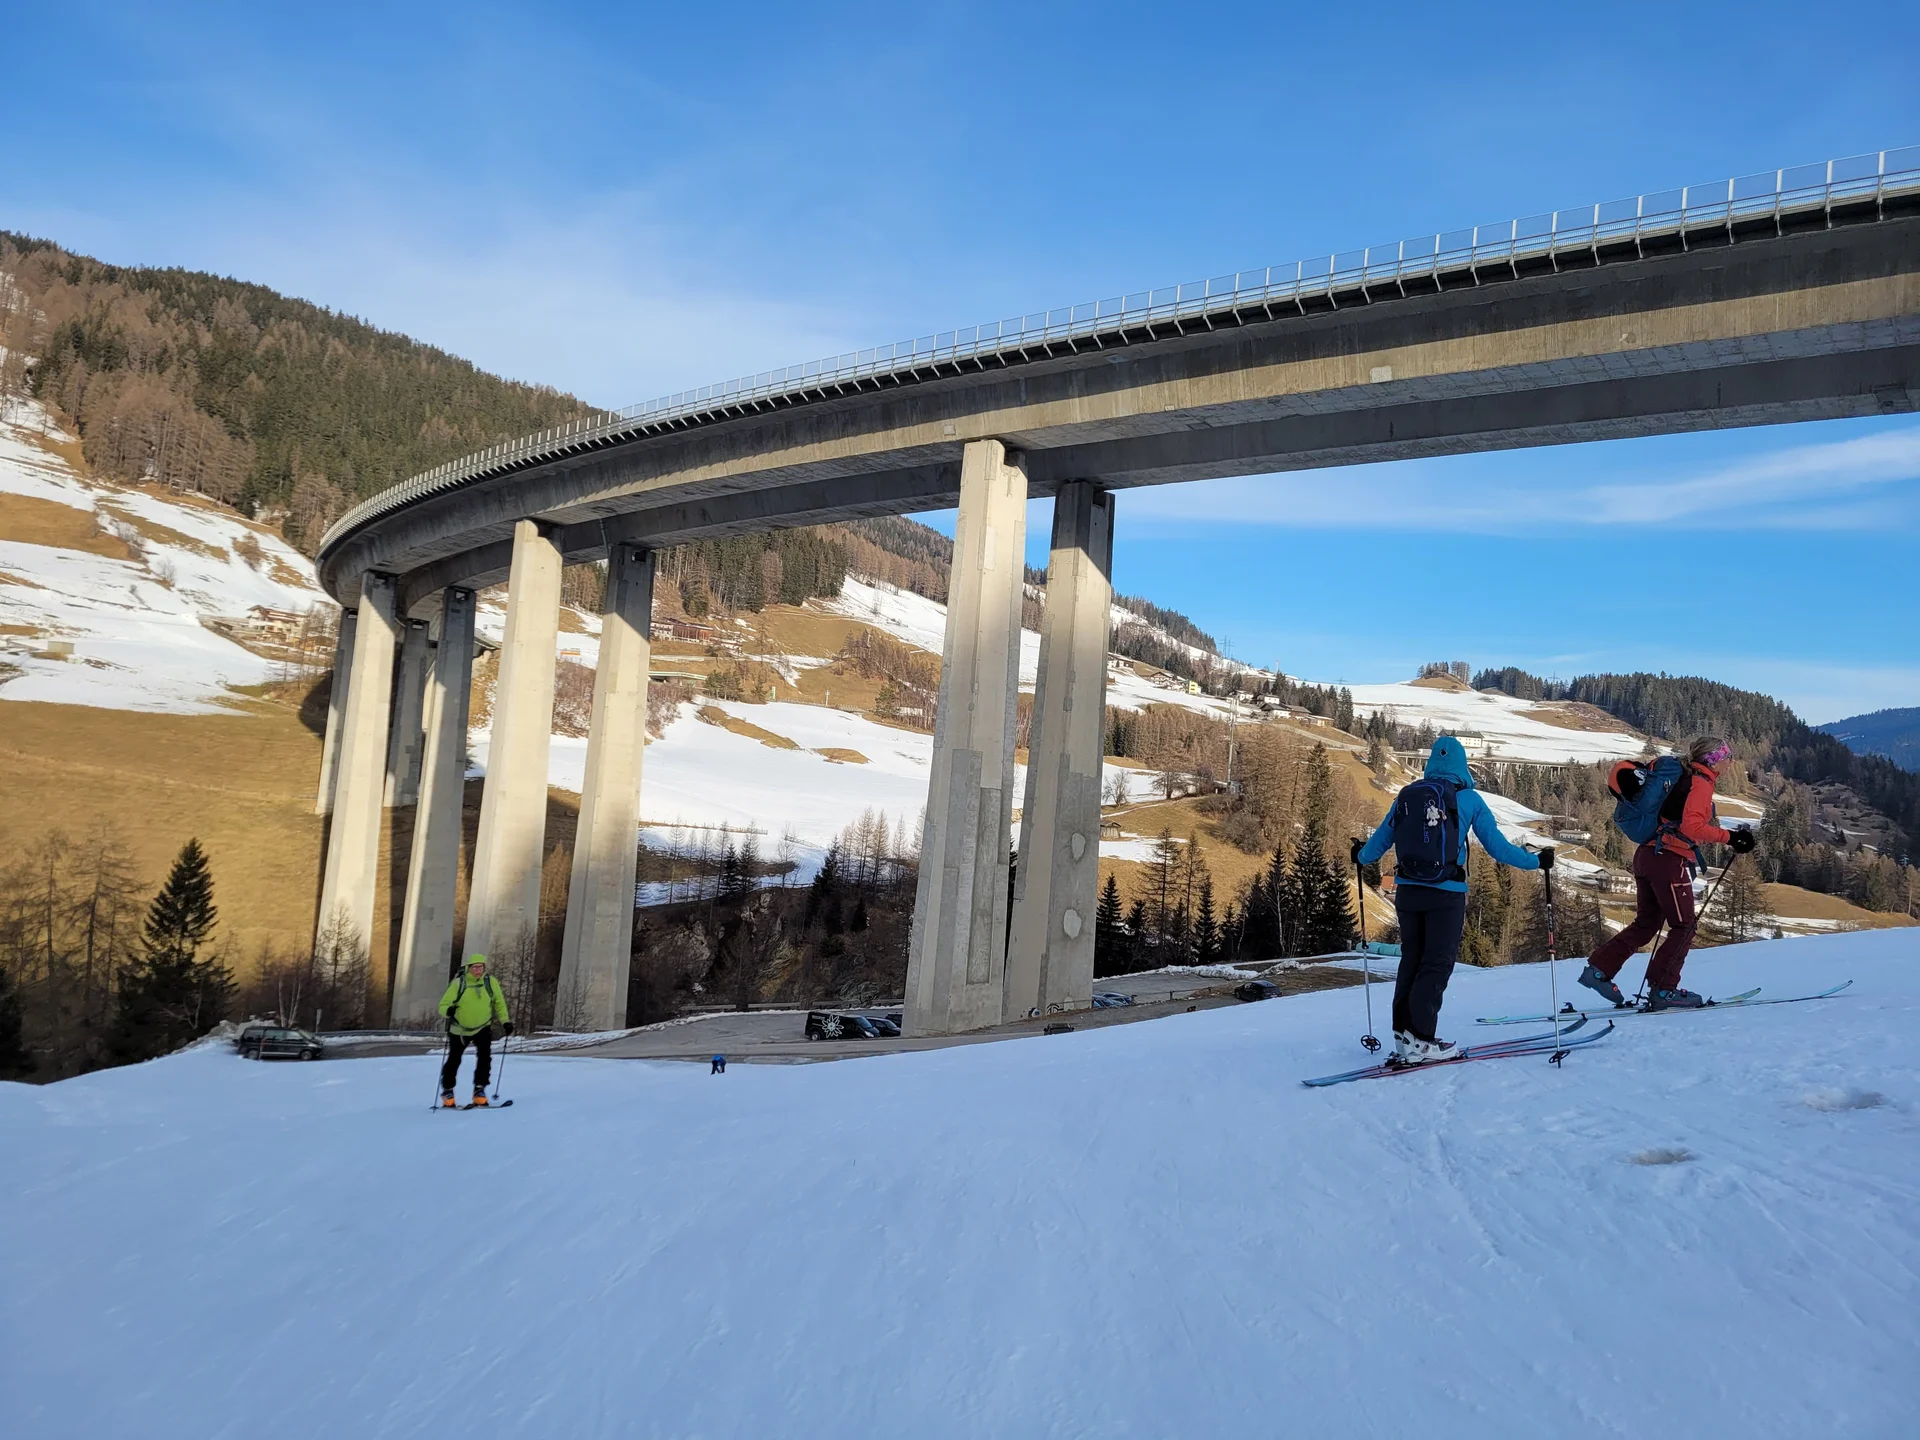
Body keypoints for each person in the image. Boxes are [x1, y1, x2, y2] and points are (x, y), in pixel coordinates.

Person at [1353, 735, 1547, 1065]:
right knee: (1436, 963)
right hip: (1446, 893)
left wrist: (1358, 853)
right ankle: (1423, 1040)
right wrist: (1538, 861)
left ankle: (1405, 1035)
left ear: (1431, 763)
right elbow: (1499, 849)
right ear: (1461, 765)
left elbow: (1374, 849)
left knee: (1412, 960)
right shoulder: (1468, 799)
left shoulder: (1407, 796)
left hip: (1408, 893)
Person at [1579, 736, 1754, 1011]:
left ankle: (1598, 970)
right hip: (1668, 859)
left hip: (1647, 855)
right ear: (1712, 759)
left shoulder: (1685, 778)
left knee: (1647, 924)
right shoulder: (1700, 783)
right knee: (1684, 925)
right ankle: (1663, 989)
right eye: (1726, 756)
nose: (1730, 762)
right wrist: (1731, 837)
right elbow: (1692, 828)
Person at [438, 954, 512, 1107]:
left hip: (482, 1027)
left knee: (485, 1058)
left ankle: (480, 1089)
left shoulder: (490, 982)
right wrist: (449, 1011)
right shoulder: (459, 983)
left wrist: (506, 1021)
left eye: (481, 967)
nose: (478, 970)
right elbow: (443, 1005)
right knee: (454, 1060)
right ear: (468, 968)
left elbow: (499, 1003)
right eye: (475, 967)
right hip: (459, 1030)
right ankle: (447, 1090)